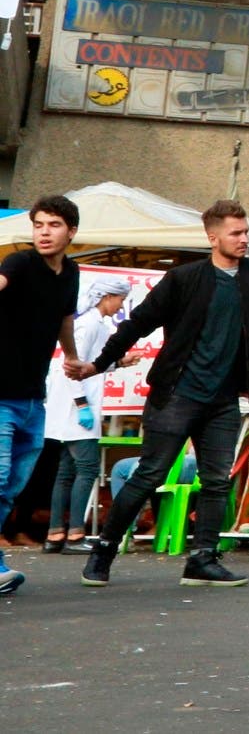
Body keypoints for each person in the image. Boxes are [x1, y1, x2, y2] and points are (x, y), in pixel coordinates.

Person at [75, 199, 249, 591]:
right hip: (177, 393)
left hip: (224, 399)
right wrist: (99, 364)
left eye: (245, 231)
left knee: (217, 480)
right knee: (150, 474)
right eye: (235, 233)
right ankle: (103, 550)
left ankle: (202, 559)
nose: (243, 239)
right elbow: (136, 324)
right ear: (213, 237)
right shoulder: (184, 279)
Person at [0, 193, 83, 595]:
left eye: (53, 225)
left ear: (71, 232)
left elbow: (64, 318)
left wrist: (72, 357)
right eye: (38, 225)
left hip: (34, 399)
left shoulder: (71, 273)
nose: (44, 233)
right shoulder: (20, 263)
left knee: (11, 489)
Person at [44, 277, 128, 555]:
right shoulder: (89, 325)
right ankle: (75, 535)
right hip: (76, 408)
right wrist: (81, 404)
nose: (121, 306)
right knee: (88, 468)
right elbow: (72, 365)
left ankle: (56, 534)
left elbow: (92, 364)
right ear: (107, 297)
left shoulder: (97, 325)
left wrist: (119, 363)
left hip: (76, 407)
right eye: (120, 299)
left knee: (66, 471)